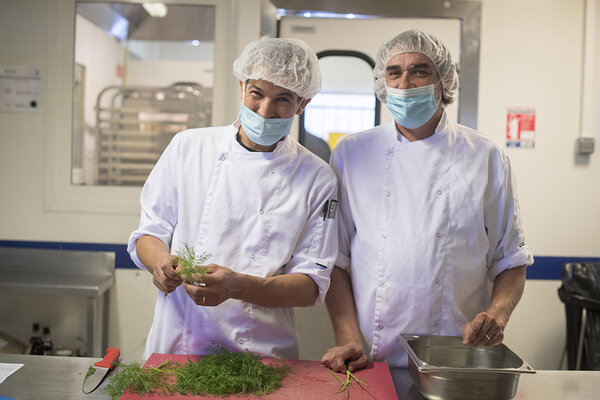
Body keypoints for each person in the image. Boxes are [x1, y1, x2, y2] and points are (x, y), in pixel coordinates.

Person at [321, 29, 534, 372]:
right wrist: (348, 337)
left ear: (443, 82)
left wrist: (497, 314)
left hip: (458, 355)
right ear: (383, 83)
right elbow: (337, 260)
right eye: (394, 72)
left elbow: (511, 259)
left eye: (420, 71)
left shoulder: (485, 156)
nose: (405, 83)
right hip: (373, 356)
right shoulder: (352, 153)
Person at [127, 38, 338, 360]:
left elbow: (311, 285)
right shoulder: (188, 147)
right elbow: (150, 231)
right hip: (176, 343)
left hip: (261, 352)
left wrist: (237, 286)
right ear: (242, 87)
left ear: (302, 104)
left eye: (282, 99)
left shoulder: (316, 177)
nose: (265, 110)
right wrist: (159, 263)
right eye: (257, 93)